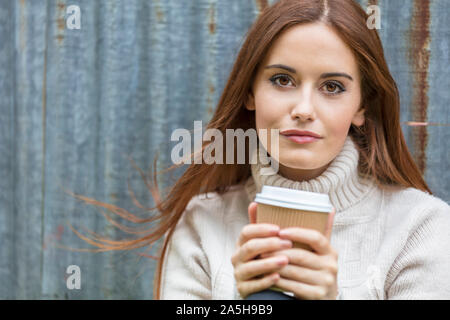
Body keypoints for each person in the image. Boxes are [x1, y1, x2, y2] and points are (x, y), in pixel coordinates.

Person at [70, 0, 450, 300]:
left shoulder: (421, 229)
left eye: (332, 87)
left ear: (362, 107)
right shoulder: (203, 223)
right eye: (282, 80)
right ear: (250, 92)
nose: (303, 109)